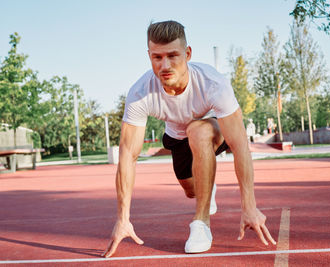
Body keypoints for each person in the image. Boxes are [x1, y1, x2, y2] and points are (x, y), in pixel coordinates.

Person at [102, 20, 276, 257]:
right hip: (176, 136)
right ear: (149, 56)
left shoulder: (213, 84)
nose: (165, 65)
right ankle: (208, 184)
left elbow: (240, 145)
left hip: (214, 128)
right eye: (157, 57)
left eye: (173, 56)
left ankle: (201, 225)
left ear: (188, 54)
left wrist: (249, 207)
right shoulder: (140, 93)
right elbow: (127, 156)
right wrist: (123, 218)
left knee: (198, 130)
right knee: (191, 190)